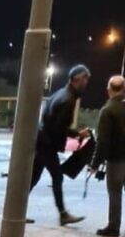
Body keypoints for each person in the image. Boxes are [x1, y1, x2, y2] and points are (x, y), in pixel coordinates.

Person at [29, 65, 91, 226]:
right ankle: (63, 214)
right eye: (84, 79)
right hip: (47, 144)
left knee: (33, 178)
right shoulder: (67, 99)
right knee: (57, 176)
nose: (86, 83)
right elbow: (58, 127)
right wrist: (78, 134)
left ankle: (17, 210)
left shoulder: (61, 94)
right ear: (76, 79)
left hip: (42, 141)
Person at [89, 75, 125, 237]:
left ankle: (113, 227)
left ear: (108, 90)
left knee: (115, 192)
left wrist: (95, 163)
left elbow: (103, 141)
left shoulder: (108, 110)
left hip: (116, 160)